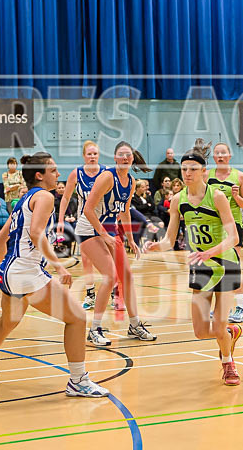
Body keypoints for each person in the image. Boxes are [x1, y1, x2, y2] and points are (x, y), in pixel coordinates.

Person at [0, 152, 109, 397]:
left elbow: (0, 241)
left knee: (8, 322)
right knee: (77, 318)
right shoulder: (44, 196)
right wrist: (58, 266)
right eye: (53, 170)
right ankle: (78, 381)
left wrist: (10, 267)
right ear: (39, 175)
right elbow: (35, 233)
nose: (58, 174)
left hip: (11, 271)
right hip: (26, 272)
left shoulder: (24, 200)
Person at [145, 139, 243, 386]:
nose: (187, 174)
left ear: (203, 172)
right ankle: (231, 333)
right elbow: (170, 239)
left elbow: (234, 237)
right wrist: (157, 246)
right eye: (184, 169)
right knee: (200, 331)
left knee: (218, 325)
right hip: (200, 266)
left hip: (225, 263)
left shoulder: (217, 196)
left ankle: (228, 364)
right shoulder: (178, 200)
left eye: (192, 169)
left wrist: (211, 251)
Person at [76, 141, 157, 345]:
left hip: (110, 230)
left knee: (127, 277)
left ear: (132, 157)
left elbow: (125, 211)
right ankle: (94, 329)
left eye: (128, 155)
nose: (125, 158)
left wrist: (130, 239)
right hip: (89, 230)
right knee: (110, 276)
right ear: (114, 158)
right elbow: (87, 209)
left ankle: (134, 324)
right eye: (120, 155)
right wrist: (104, 235)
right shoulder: (107, 177)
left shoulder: (130, 181)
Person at [208, 142, 243, 323]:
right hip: (213, 225)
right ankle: (220, 307)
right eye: (217, 153)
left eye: (223, 153)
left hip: (233, 225)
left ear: (229, 156)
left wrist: (236, 197)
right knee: (216, 266)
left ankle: (241, 307)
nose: (220, 156)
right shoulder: (206, 175)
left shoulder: (239, 177)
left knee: (234, 266)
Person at [58, 140, 103, 310]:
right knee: (86, 258)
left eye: (95, 154)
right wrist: (61, 219)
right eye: (89, 154)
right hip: (84, 220)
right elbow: (65, 198)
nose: (92, 157)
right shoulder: (76, 173)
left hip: (104, 220)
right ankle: (90, 294)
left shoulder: (106, 172)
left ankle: (115, 293)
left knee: (109, 258)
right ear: (84, 156)